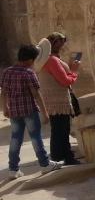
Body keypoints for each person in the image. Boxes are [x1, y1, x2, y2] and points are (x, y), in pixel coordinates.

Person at [1, 44, 63, 180]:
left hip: (14, 111)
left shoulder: (7, 72)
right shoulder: (29, 73)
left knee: (15, 138)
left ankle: (13, 169)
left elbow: (3, 92)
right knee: (36, 137)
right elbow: (36, 94)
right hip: (30, 110)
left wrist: (5, 108)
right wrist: (45, 112)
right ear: (30, 60)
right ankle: (45, 164)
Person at [37, 32, 82, 165]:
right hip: (58, 101)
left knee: (58, 129)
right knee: (62, 130)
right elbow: (65, 81)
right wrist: (74, 71)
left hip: (52, 101)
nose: (63, 45)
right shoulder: (52, 60)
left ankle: (57, 156)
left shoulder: (48, 60)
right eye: (60, 42)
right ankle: (67, 157)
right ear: (54, 43)